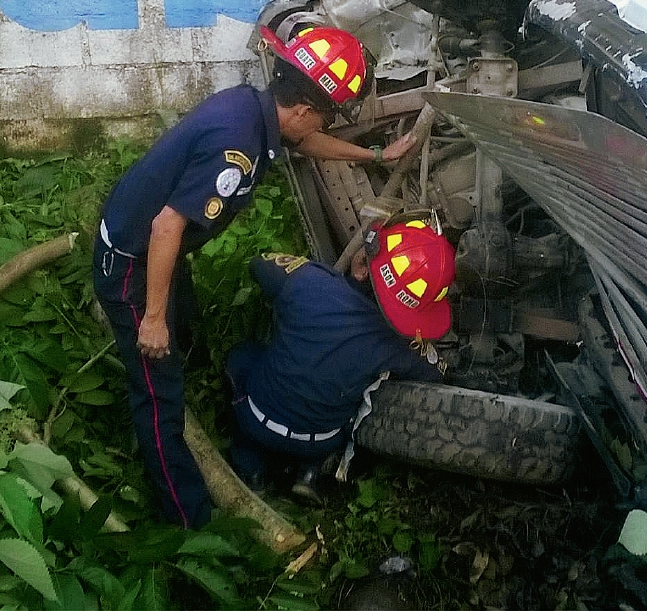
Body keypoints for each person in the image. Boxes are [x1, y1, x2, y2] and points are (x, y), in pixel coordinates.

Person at [93, 26, 416, 529]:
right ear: (306, 110)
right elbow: (167, 225)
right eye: (325, 117)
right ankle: (188, 524)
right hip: (136, 259)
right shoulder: (235, 145)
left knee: (185, 326)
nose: (319, 128)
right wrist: (152, 318)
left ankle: (194, 385)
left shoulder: (254, 110)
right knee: (157, 394)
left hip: (154, 246)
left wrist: (375, 156)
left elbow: (308, 145)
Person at [227, 215, 456, 500]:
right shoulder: (402, 346)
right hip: (320, 441)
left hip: (260, 422)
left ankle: (252, 471)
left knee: (241, 357)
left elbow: (258, 265)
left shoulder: (308, 281)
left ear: (361, 267)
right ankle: (308, 473)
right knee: (351, 403)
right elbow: (437, 372)